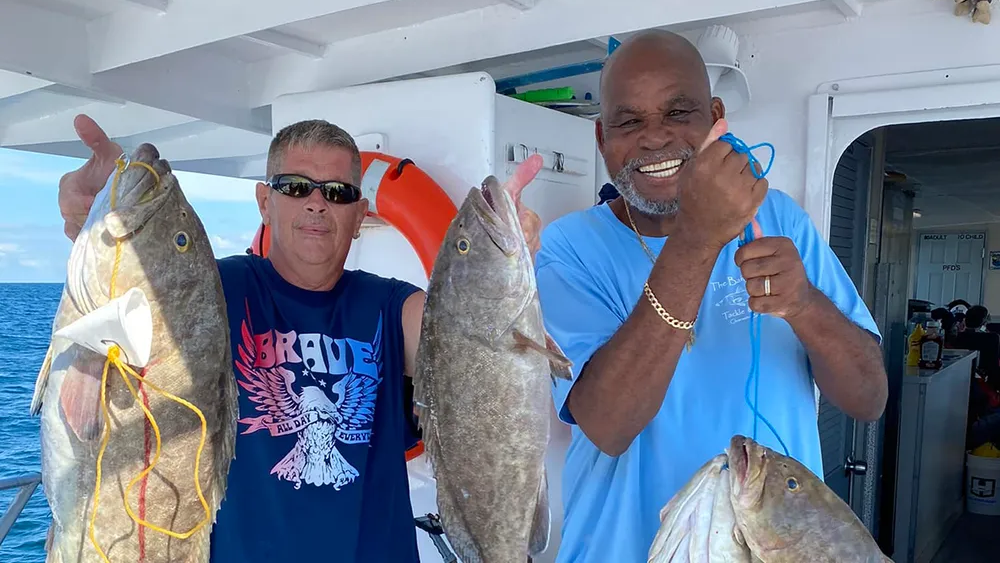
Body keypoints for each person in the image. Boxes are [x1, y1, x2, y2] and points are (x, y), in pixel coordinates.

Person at [55, 114, 545, 562]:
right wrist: (98, 222)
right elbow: (140, 288)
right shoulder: (212, 288)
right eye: (295, 186)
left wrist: (493, 266)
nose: (316, 202)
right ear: (265, 202)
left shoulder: (392, 306)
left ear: (359, 217)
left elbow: (464, 338)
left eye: (337, 192)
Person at [533, 30, 888, 562]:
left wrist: (805, 305)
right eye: (630, 121)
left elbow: (868, 399)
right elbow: (608, 424)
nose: (654, 138)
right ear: (602, 138)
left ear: (715, 116)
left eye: (678, 113)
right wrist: (697, 237)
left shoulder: (780, 220)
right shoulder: (566, 250)